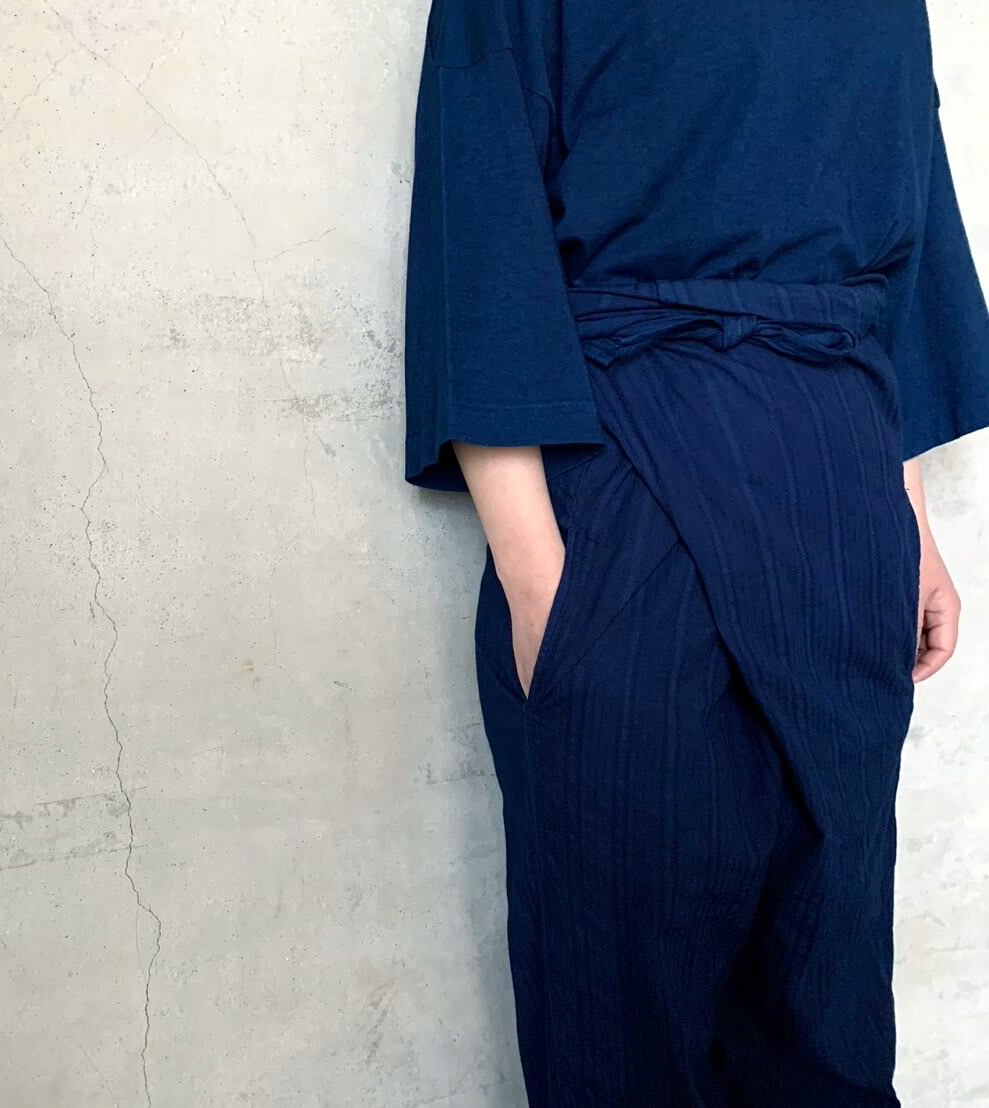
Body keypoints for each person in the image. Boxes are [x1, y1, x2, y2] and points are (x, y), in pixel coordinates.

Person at [401, 1, 989, 1104]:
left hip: (844, 500)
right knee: (625, 1014)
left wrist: (905, 518)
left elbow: (896, 259)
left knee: (827, 995)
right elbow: (481, 229)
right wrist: (543, 584)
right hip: (626, 485)